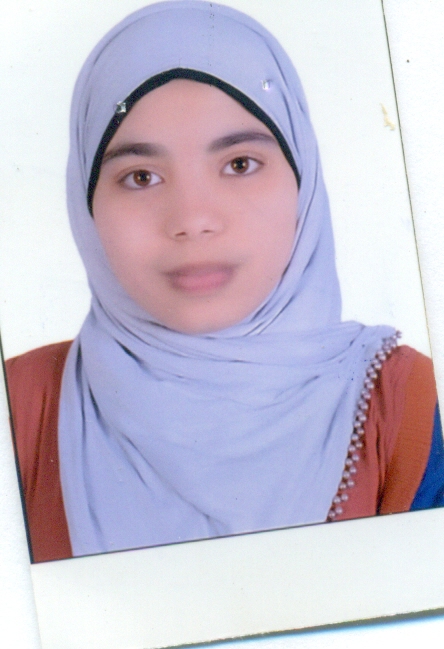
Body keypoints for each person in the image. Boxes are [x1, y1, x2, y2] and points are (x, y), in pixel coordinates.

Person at [5, 0, 443, 563]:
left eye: (239, 164)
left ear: (303, 182)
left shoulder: (406, 406)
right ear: (85, 203)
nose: (193, 219)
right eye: (141, 176)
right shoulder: (22, 408)